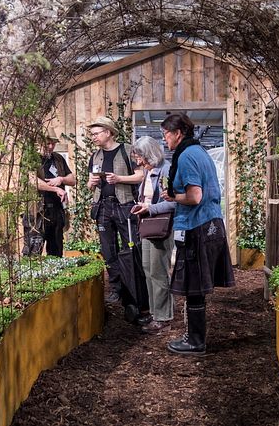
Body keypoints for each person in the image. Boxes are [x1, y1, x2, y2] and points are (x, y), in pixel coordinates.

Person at [160, 113, 235, 356]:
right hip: (210, 223)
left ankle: (195, 341)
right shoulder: (199, 152)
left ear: (178, 133)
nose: (165, 140)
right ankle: (194, 338)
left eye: (166, 134)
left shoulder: (187, 156)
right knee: (197, 286)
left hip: (197, 226)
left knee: (194, 286)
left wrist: (173, 197)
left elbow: (194, 197)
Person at [86, 116, 144, 307]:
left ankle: (135, 288)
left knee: (131, 247)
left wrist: (119, 178)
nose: (93, 137)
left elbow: (140, 176)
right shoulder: (95, 156)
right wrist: (91, 183)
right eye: (92, 134)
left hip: (125, 205)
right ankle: (116, 288)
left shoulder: (128, 150)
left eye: (96, 133)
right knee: (108, 250)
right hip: (102, 206)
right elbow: (88, 185)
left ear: (109, 132)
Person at [131, 136, 176, 335]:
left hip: (161, 226)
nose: (137, 160)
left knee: (158, 271)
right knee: (148, 269)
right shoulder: (148, 172)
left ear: (149, 154)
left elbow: (174, 202)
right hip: (148, 225)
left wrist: (150, 208)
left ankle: (163, 316)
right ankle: (154, 311)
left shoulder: (165, 171)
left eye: (140, 156)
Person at [23, 129, 74, 257]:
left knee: (56, 251)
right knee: (33, 252)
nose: (50, 146)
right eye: (47, 143)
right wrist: (56, 188)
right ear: (39, 142)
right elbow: (33, 181)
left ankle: (55, 276)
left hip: (56, 211)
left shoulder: (58, 159)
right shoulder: (31, 159)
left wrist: (61, 179)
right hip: (37, 211)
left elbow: (73, 180)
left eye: (53, 143)